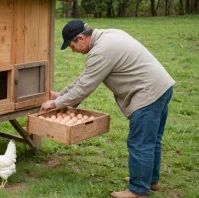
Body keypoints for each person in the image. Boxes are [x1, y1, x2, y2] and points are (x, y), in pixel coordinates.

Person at [40, 20, 175, 198]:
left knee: (140, 143)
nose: (74, 51)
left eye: (72, 46)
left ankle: (138, 191)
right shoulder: (108, 35)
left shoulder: (101, 51)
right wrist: (62, 94)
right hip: (162, 87)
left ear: (81, 38)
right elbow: (86, 77)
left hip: (147, 94)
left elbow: (85, 87)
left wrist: (55, 104)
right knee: (152, 140)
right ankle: (149, 180)